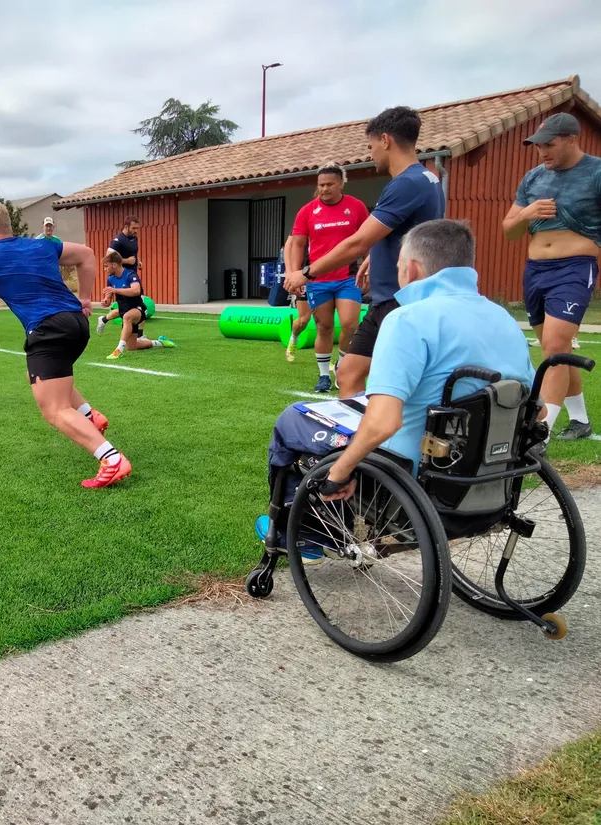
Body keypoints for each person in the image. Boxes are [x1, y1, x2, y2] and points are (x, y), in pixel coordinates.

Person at [256, 220, 534, 561]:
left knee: (292, 420)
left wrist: (339, 472)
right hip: (491, 481)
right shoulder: (503, 318)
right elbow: (536, 409)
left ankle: (300, 533)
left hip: (413, 475)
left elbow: (383, 423)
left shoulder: (408, 319)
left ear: (412, 268)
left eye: (400, 266)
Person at [0, 202, 130, 488]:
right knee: (39, 377)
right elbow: (86, 254)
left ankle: (112, 459)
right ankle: (88, 415)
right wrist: (84, 297)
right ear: (10, 226)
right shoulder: (41, 245)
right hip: (76, 324)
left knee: (54, 409)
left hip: (48, 329)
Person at [283, 106, 445, 397]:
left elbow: (357, 241)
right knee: (350, 373)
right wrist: (375, 256)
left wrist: (307, 273)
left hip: (397, 302)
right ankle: (364, 438)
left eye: (371, 147)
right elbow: (406, 232)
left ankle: (375, 440)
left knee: (381, 380)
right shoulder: (428, 179)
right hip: (394, 299)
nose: (370, 155)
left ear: (386, 141)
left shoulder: (405, 184)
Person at [502, 112, 601, 441]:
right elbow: (509, 231)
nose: (541, 152)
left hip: (574, 268)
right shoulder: (532, 178)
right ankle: (580, 422)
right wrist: (527, 213)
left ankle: (540, 433)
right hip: (536, 270)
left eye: (549, 144)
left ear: (573, 140)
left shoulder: (597, 172)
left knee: (556, 345)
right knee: (553, 349)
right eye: (537, 146)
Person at [285, 164, 369, 391]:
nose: (324, 189)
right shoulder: (307, 211)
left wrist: (370, 265)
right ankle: (324, 375)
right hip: (317, 280)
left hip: (348, 278)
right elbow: (297, 244)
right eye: (320, 185)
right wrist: (293, 273)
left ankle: (341, 365)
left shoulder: (357, 207)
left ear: (341, 183)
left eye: (329, 184)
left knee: (351, 323)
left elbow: (368, 239)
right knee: (324, 327)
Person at [95, 251, 176, 357]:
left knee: (127, 317)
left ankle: (118, 350)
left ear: (114, 265)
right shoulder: (110, 279)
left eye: (106, 266)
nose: (105, 269)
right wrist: (106, 301)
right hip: (124, 310)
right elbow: (109, 298)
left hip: (138, 309)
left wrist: (115, 290)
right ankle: (159, 342)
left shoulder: (130, 275)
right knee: (132, 346)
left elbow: (136, 291)